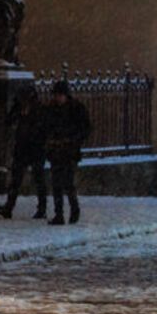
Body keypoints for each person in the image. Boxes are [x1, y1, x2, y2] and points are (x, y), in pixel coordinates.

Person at [42, 80, 91, 225]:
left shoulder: (76, 109)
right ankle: (59, 214)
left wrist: (72, 140)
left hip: (69, 151)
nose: (57, 98)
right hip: (56, 150)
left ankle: (74, 209)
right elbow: (45, 127)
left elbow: (85, 129)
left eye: (60, 95)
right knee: (57, 183)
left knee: (68, 183)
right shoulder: (52, 109)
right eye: (56, 95)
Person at [0, 90, 47, 219]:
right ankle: (9, 206)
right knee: (16, 179)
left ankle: (42, 208)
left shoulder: (39, 110)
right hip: (22, 147)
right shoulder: (20, 109)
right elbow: (8, 121)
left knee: (38, 178)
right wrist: (16, 111)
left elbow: (41, 129)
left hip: (36, 148)